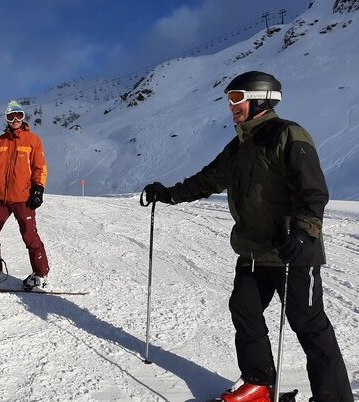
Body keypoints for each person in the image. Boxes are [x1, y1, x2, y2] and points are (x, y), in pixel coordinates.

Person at [142, 71, 352, 402]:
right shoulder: (239, 144)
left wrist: (303, 233)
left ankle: (334, 397)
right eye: (229, 99)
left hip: (292, 252)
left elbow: (313, 191)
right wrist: (168, 194)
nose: (231, 106)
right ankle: (258, 384)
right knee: (244, 309)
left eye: (237, 98)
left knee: (308, 324)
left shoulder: (288, 134)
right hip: (254, 251)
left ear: (262, 98)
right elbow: (208, 179)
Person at [0, 100, 49, 291]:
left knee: (29, 235)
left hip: (23, 197)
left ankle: (40, 274)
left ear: (23, 117)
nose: (15, 119)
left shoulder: (33, 140)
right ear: (6, 119)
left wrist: (38, 189)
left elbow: (39, 168)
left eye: (18, 115)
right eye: (11, 116)